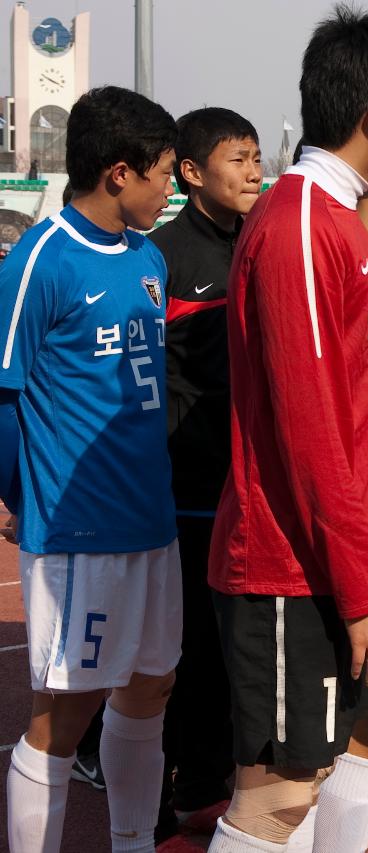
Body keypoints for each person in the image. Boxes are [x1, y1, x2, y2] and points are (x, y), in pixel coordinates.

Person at [204, 11, 368, 852]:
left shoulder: (336, 222)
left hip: (332, 558)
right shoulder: (303, 222)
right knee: (275, 799)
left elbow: (360, 418)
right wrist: (358, 588)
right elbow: (311, 433)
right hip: (287, 567)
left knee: (325, 771)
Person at [2, 84, 181, 853]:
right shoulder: (38, 258)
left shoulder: (149, 256)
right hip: (80, 534)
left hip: (154, 522)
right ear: (118, 173)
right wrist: (20, 494)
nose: (170, 187)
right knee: (61, 713)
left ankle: (132, 840)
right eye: (163, 173)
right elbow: (5, 394)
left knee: (149, 691)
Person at [149, 106, 262, 844]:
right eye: (238, 157)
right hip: (184, 490)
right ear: (190, 172)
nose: (254, 170)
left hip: (247, 490)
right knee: (176, 653)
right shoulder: (161, 255)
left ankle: (214, 783)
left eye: (258, 156)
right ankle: (158, 790)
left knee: (235, 650)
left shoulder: (264, 244)